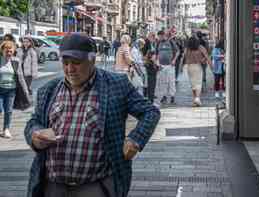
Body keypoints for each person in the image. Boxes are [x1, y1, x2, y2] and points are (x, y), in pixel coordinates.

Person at [24, 33, 160, 197]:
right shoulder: (49, 90)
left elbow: (150, 112)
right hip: (53, 186)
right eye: (65, 63)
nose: (69, 69)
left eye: (76, 63)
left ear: (92, 60)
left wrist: (136, 139)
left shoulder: (116, 85)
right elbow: (34, 122)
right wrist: (35, 135)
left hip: (95, 186)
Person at [0, 41, 30, 138]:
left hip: (11, 90)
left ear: (13, 51)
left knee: (8, 111)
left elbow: (20, 77)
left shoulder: (16, 61)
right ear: (2, 51)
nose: (8, 53)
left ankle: (6, 129)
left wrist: (26, 91)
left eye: (10, 51)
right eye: (6, 51)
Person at [183, 36, 211, 107]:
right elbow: (207, 56)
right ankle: (197, 98)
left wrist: (181, 67)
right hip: (198, 66)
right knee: (198, 83)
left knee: (193, 84)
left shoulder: (187, 49)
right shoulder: (200, 47)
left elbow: (184, 57)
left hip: (189, 67)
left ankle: (195, 100)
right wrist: (211, 65)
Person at [155, 30, 179, 105]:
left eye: (160, 36)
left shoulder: (171, 42)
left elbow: (178, 51)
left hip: (170, 65)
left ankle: (172, 97)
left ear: (163, 35)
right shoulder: (158, 43)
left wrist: (174, 60)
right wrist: (157, 63)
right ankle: (164, 96)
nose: (159, 38)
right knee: (162, 82)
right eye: (158, 36)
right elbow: (156, 54)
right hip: (162, 66)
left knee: (171, 81)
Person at [142, 32, 157, 102]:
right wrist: (152, 58)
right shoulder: (147, 43)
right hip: (150, 65)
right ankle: (150, 98)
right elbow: (145, 55)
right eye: (153, 37)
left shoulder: (150, 43)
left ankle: (150, 96)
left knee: (150, 82)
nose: (154, 39)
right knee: (150, 82)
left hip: (151, 65)